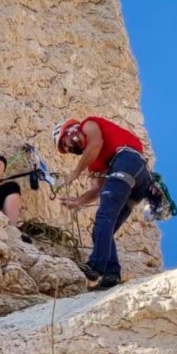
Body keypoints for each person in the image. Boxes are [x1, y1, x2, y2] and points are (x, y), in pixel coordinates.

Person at [54, 117, 151, 290]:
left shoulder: (88, 124)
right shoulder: (95, 163)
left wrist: (76, 173)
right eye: (66, 149)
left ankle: (95, 266)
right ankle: (111, 275)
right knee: (103, 229)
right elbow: (97, 189)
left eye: (65, 143)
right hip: (138, 180)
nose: (69, 148)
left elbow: (95, 144)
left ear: (71, 130)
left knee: (104, 218)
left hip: (127, 161)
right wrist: (79, 201)